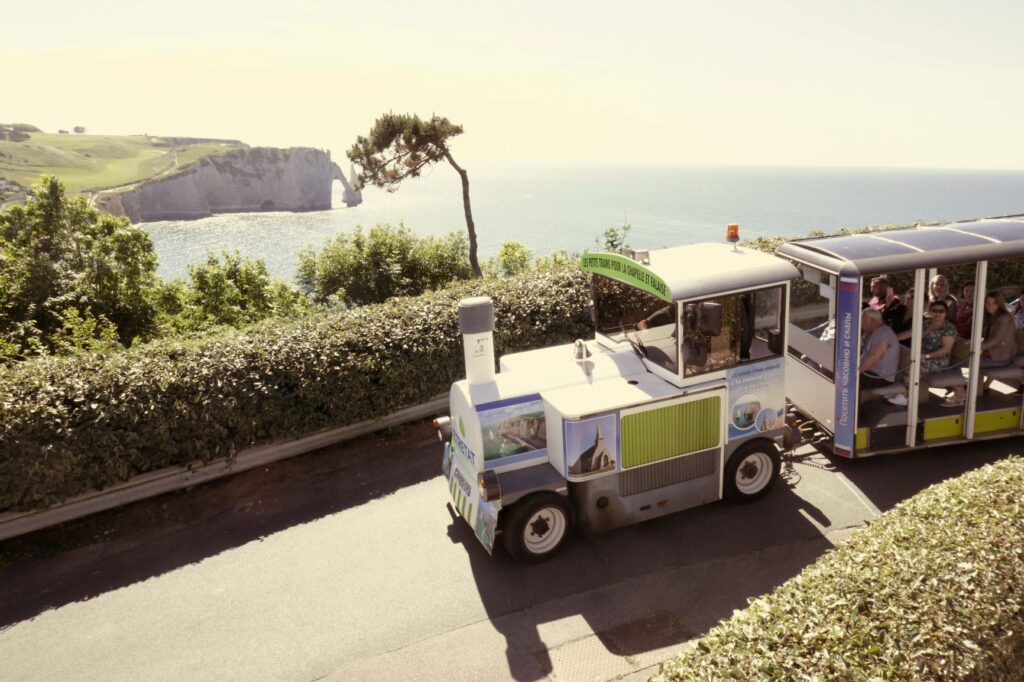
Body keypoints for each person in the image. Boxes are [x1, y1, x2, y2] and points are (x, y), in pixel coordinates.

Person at [859, 309, 901, 404]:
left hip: (881, 376)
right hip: (871, 371)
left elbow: (875, 357)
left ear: (873, 320)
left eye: (863, 320)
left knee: (849, 381)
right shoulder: (872, 332)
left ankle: (852, 414)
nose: (861, 323)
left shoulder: (883, 334)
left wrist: (857, 371)